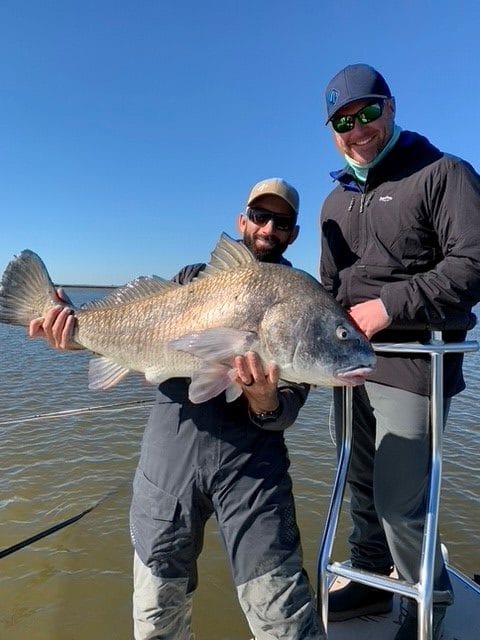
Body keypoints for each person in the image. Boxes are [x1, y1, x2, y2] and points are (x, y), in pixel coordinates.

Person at [29, 178, 326, 640]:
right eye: (260, 216)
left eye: (281, 221)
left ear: (293, 233)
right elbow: (131, 323)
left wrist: (265, 398)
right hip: (170, 460)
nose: (268, 228)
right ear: (241, 222)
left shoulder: (303, 301)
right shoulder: (191, 278)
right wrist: (75, 330)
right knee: (155, 613)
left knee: (283, 612)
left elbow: (288, 407)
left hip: (253, 465)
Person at [319, 63, 480, 639]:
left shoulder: (445, 173)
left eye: (367, 112)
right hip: (344, 365)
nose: (357, 129)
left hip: (415, 364)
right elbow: (326, 293)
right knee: (356, 483)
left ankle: (426, 601)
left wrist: (390, 306)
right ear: (331, 129)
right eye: (342, 120)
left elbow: (472, 263)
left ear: (390, 107)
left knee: (398, 499)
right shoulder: (332, 203)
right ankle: (365, 576)